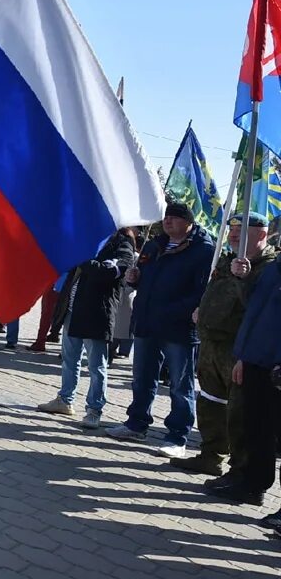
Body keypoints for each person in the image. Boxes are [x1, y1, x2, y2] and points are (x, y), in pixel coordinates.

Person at [105, 202, 214, 458]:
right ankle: (136, 424)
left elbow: (201, 293)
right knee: (142, 377)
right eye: (166, 217)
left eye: (175, 218)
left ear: (189, 223)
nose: (168, 221)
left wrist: (172, 311)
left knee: (179, 385)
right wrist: (135, 278)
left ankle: (177, 436)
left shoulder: (203, 251)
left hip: (179, 328)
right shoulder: (154, 245)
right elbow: (144, 276)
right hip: (146, 323)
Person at [180, 213, 275, 478]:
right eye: (232, 228)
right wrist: (203, 310)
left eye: (243, 230)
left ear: (262, 235)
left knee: (240, 412)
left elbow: (258, 309)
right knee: (210, 402)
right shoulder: (227, 259)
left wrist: (244, 278)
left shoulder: (267, 267)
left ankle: (239, 471)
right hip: (212, 342)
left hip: (238, 348)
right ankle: (210, 456)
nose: (234, 234)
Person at [35, 229, 137, 428]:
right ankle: (65, 400)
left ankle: (94, 409)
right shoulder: (89, 238)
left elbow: (106, 273)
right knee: (69, 359)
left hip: (97, 314)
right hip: (73, 311)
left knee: (96, 365)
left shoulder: (122, 246)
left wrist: (81, 257)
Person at [203, 256, 281, 508]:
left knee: (271, 432)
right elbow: (255, 310)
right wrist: (244, 356)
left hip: (275, 364)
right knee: (256, 430)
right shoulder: (275, 267)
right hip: (256, 359)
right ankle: (251, 485)